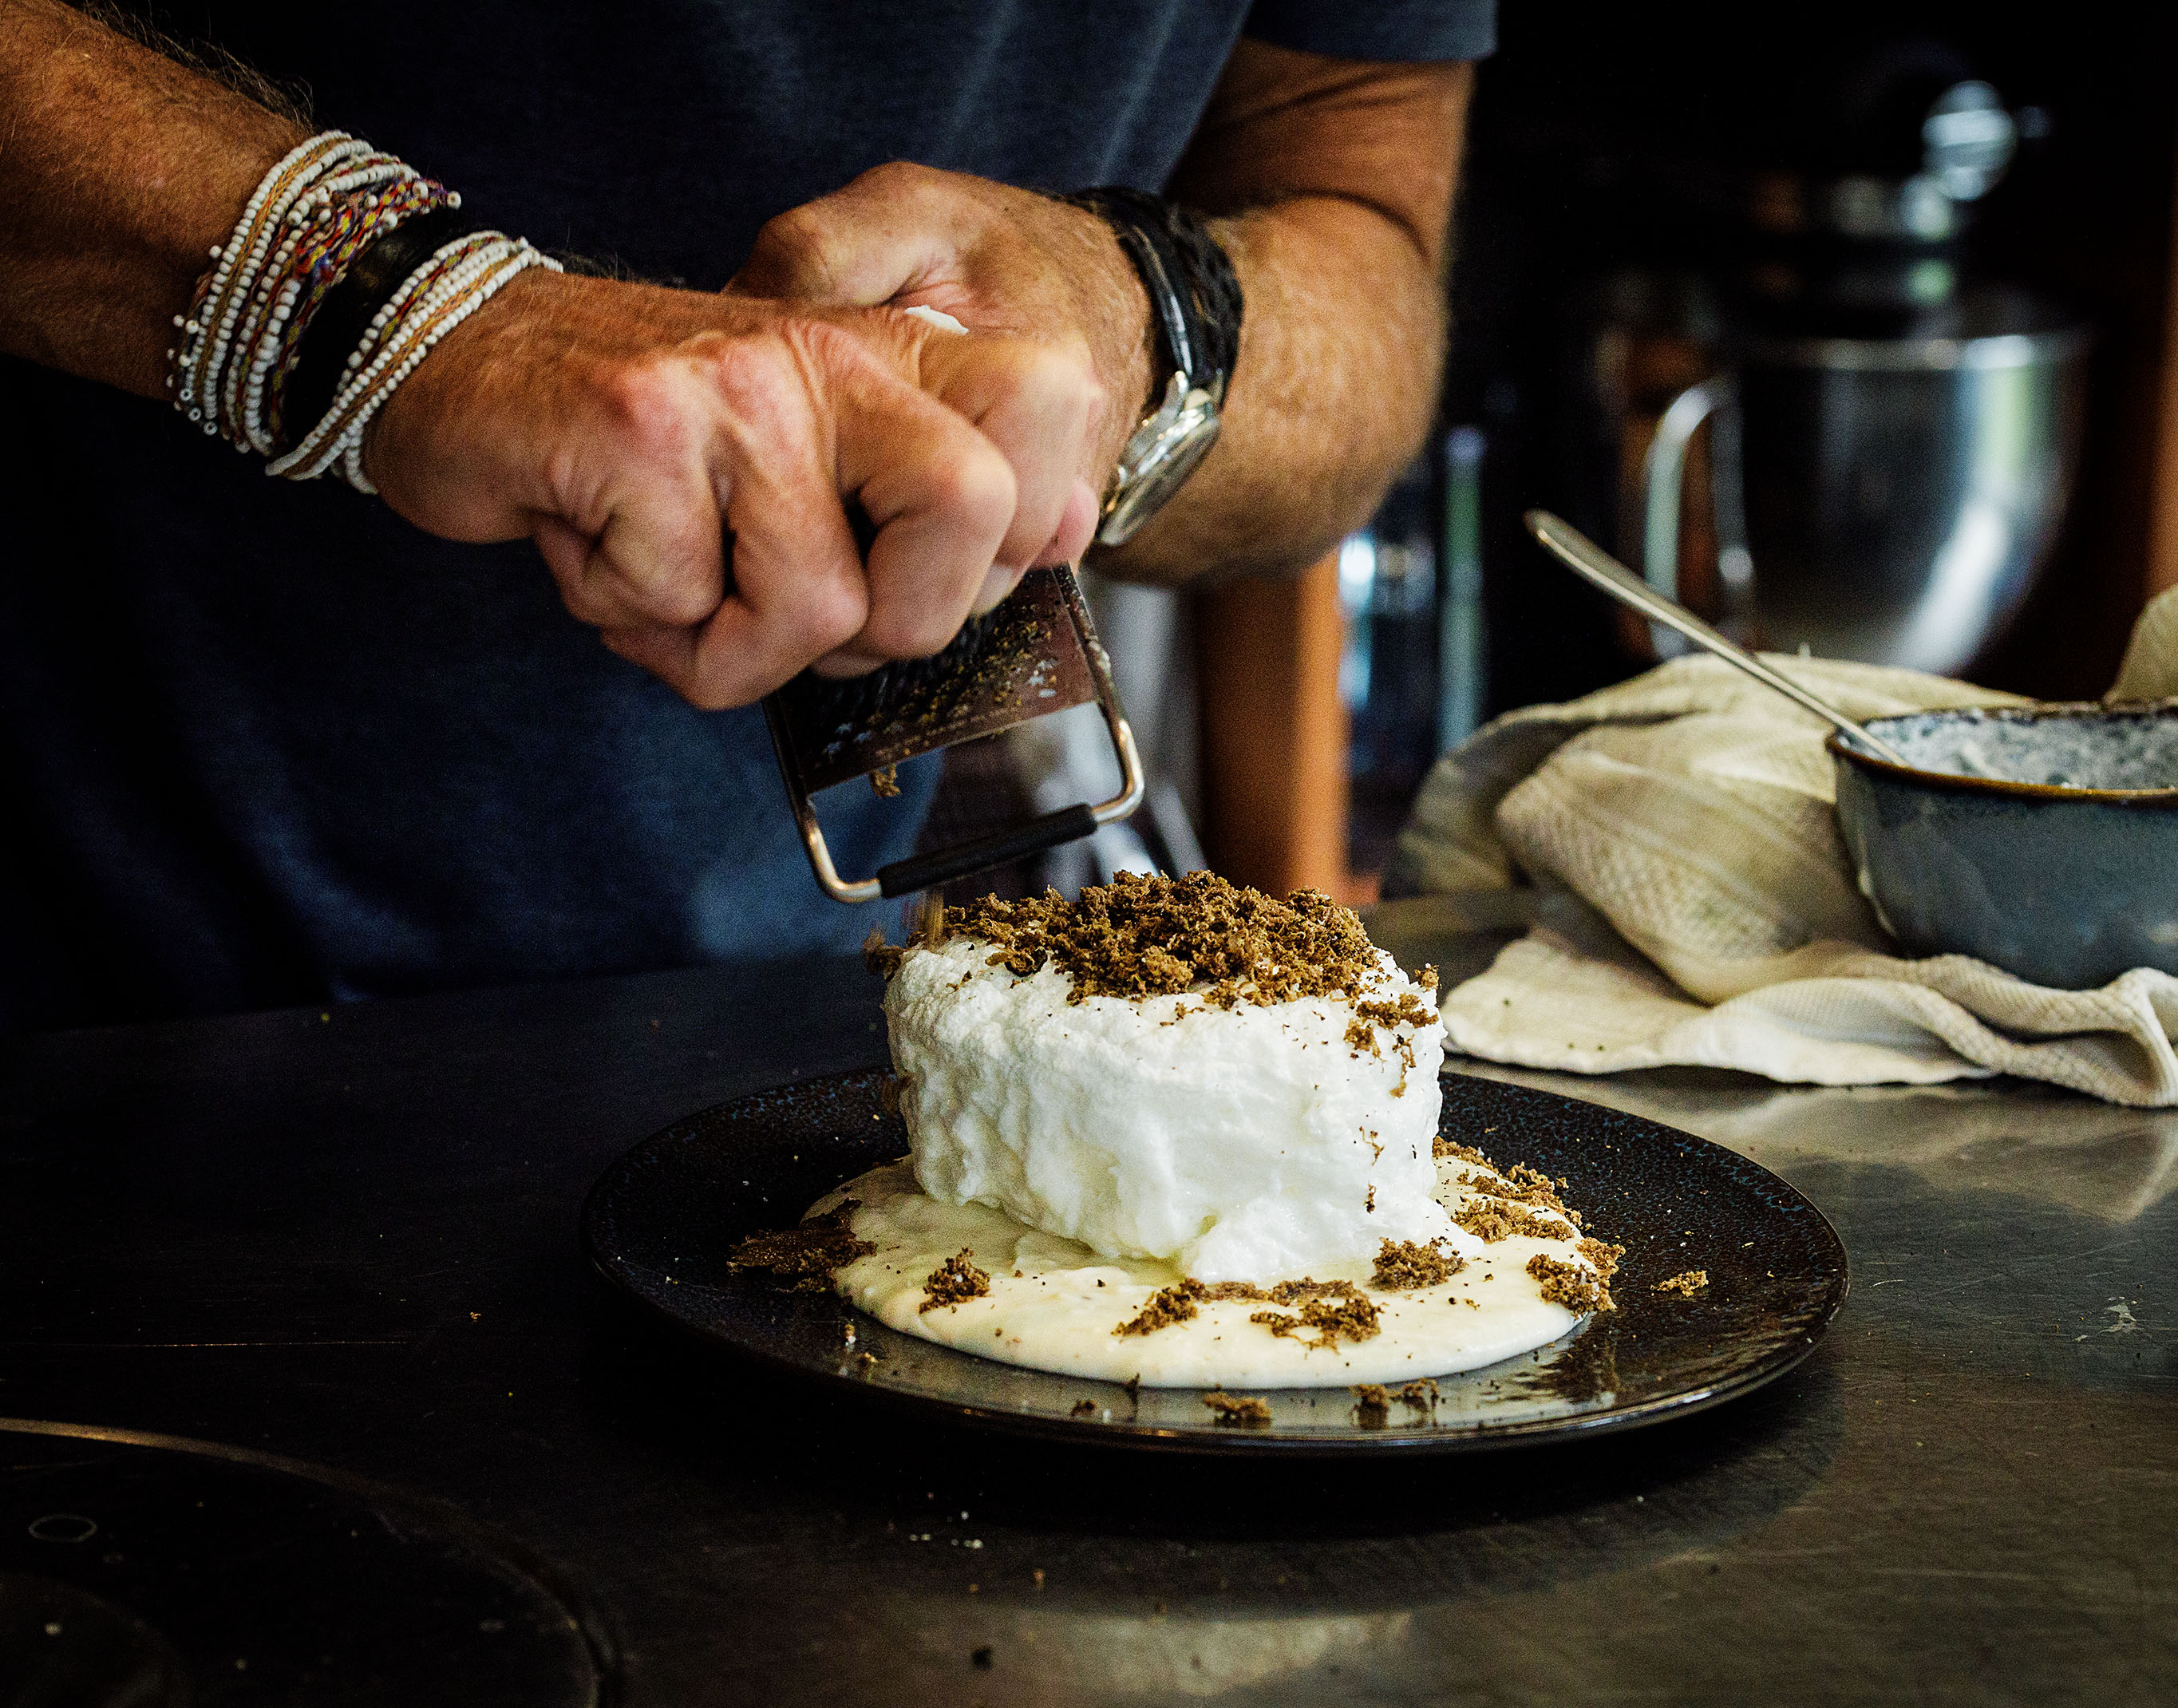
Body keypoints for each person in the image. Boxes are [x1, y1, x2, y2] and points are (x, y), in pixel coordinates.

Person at [0, 0, 1488, 1031]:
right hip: (86, 966)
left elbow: (1362, 228)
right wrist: (397, 314)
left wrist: (1136, 318)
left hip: (797, 1004)